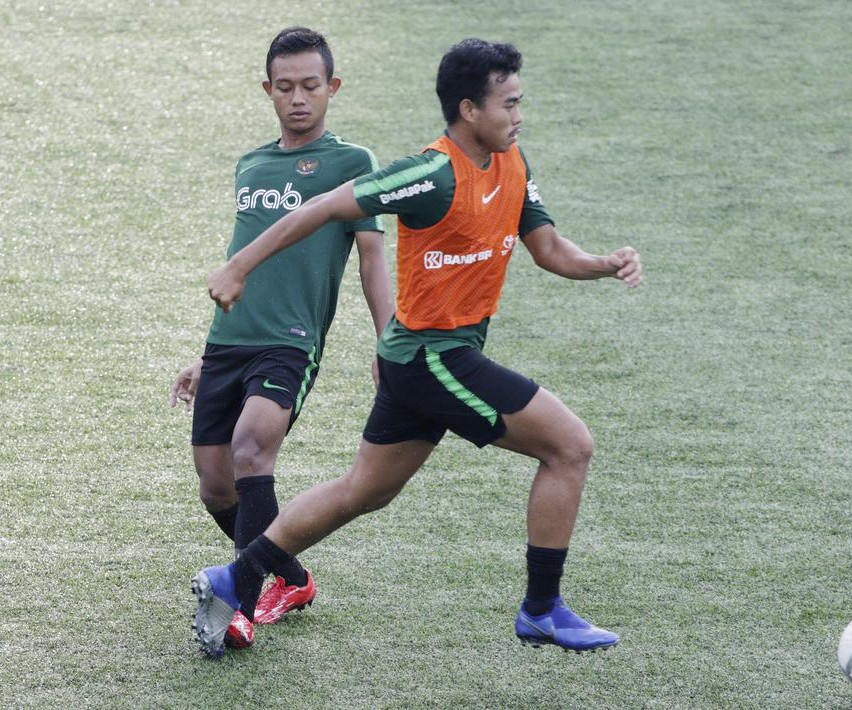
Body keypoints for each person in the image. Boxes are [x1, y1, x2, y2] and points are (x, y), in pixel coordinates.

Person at [190, 37, 643, 659]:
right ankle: (542, 608)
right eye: (508, 104)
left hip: (421, 360)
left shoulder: (514, 163)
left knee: (363, 492)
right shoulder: (428, 173)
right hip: (432, 357)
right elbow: (325, 206)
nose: (518, 115)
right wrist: (239, 265)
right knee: (570, 445)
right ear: (469, 110)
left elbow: (550, 251)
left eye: (519, 102)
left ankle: (235, 577)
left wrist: (604, 264)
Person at [170, 27, 393, 651]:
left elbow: (372, 259)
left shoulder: (355, 164)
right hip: (228, 340)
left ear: (333, 88)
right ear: (268, 89)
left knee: (250, 451)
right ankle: (290, 577)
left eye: (311, 86)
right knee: (216, 486)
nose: (299, 98)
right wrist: (204, 350)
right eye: (286, 87)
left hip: (290, 342)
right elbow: (243, 259)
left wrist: (388, 341)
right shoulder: (251, 164)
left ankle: (236, 601)